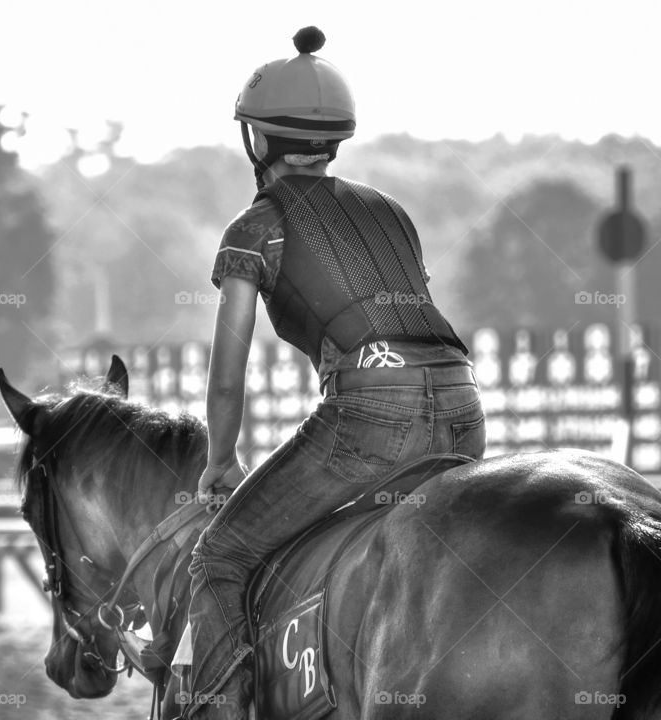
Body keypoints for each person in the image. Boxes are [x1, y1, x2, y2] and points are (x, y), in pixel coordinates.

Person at [184, 26, 486, 720]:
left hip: (369, 421)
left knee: (219, 559)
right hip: (465, 409)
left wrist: (220, 462)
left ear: (257, 141)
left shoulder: (255, 227)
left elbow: (228, 374)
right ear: (336, 140)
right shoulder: (393, 213)